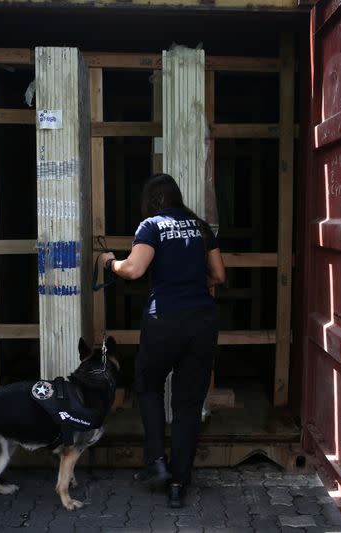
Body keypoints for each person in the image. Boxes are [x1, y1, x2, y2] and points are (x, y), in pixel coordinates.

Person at [98, 173, 226, 508]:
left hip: (164, 320)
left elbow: (134, 269)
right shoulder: (200, 227)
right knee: (187, 405)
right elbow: (220, 275)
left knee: (148, 385)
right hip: (201, 321)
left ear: (152, 201)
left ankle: (156, 462)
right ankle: (179, 484)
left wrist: (109, 263)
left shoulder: (151, 225)